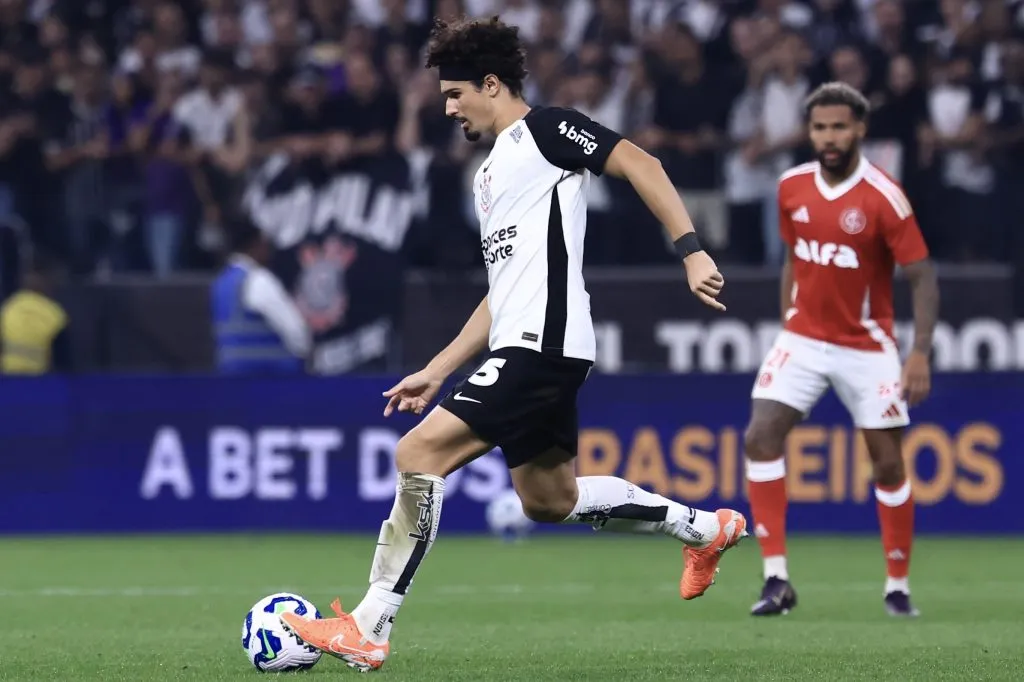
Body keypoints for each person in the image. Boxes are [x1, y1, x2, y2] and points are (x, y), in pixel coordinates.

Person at [280, 16, 746, 672]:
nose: (448, 107)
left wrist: (691, 251)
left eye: (454, 93)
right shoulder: (490, 175)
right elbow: (501, 292)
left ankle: (369, 624)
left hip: (542, 346)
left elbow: (641, 163)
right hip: (530, 344)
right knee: (549, 499)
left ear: (491, 84)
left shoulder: (549, 130)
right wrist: (437, 369)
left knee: (418, 453)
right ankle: (704, 529)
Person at [742, 82, 939, 618]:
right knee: (760, 438)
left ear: (859, 130)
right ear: (810, 132)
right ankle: (776, 580)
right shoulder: (791, 186)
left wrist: (918, 352)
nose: (829, 137)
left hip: (867, 347)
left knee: (887, 465)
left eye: (839, 127)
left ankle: (897, 584)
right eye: (820, 128)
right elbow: (792, 257)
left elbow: (921, 277)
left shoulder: (883, 196)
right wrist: (788, 317)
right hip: (803, 339)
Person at [210, 218, 310, 374]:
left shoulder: (221, 283)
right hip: (269, 380)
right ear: (255, 244)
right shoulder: (258, 279)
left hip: (231, 378)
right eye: (265, 243)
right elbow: (296, 332)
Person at [0, 251, 71, 374]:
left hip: (6, 385)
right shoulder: (55, 315)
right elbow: (64, 365)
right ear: (48, 278)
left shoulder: (8, 308)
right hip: (41, 386)